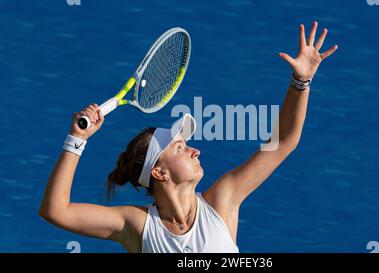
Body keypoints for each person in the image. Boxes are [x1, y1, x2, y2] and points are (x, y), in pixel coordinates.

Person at [39, 21, 338, 253]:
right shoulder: (136, 225)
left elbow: (284, 141)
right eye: (180, 147)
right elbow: (56, 211)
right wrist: (76, 140)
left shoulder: (224, 199)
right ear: (159, 171)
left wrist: (302, 80)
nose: (195, 150)